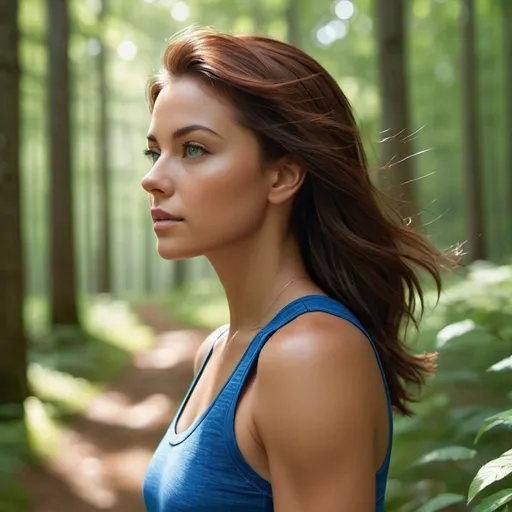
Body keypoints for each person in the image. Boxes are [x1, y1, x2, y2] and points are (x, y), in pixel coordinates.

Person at [141, 26, 447, 512]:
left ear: (282, 175)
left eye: (193, 149)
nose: (152, 179)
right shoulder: (217, 350)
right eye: (155, 151)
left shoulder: (310, 355)